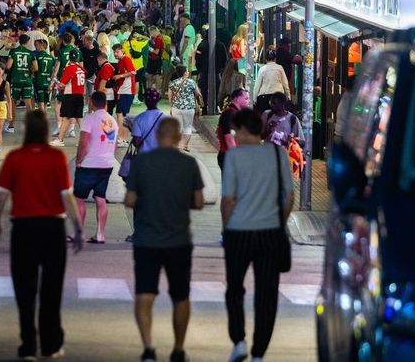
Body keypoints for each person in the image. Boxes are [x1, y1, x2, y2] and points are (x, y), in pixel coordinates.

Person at [0, 110, 83, 360]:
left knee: (25, 290)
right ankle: (51, 343)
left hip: (23, 229)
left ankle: (28, 344)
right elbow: (67, 196)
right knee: (51, 290)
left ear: (25, 129)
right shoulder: (56, 158)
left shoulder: (15, 158)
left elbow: (1, 194)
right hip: (52, 229)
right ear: (44, 130)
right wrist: (77, 227)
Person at [125, 117, 205, 362]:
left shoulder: (142, 162)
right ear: (179, 136)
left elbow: (129, 200)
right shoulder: (189, 164)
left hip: (147, 239)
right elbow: (199, 202)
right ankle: (178, 349)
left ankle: (149, 348)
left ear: (158, 136)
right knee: (181, 296)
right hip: (178, 239)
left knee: (144, 294)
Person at [221, 109, 294, 362]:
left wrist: (227, 228)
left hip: (239, 232)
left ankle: (239, 341)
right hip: (269, 233)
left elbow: (228, 200)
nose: (234, 136)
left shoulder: (234, 157)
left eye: (234, 131)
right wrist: (279, 222)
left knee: (234, 290)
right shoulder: (277, 154)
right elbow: (289, 197)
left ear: (242, 130)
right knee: (267, 294)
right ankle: (259, 353)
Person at [75, 91, 117, 244]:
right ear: (105, 103)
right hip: (106, 164)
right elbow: (115, 143)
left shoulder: (89, 119)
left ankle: (80, 233)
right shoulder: (112, 121)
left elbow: (84, 142)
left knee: (79, 198)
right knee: (100, 198)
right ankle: (100, 235)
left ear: (91, 102)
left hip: (89, 164)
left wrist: (79, 160)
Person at [51, 50, 85, 147]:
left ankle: (60, 139)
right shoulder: (81, 69)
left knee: (65, 117)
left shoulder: (70, 68)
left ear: (69, 58)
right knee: (79, 118)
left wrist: (56, 84)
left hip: (70, 96)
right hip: (79, 96)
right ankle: (85, 140)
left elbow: (62, 85)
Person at [6, 34, 36, 132]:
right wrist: (29, 71)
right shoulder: (31, 53)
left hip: (16, 80)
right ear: (27, 42)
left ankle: (11, 126)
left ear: (19, 41)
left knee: (13, 102)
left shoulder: (14, 51)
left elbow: (8, 66)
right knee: (28, 104)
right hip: (27, 81)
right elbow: (36, 68)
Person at [168, 65, 201, 151]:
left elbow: (170, 98)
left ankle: (177, 145)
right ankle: (184, 145)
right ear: (185, 72)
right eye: (187, 71)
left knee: (178, 127)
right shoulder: (191, 82)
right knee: (187, 127)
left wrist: (173, 103)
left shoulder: (173, 83)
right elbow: (197, 93)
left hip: (176, 108)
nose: (188, 72)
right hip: (189, 108)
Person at [217, 88, 251, 169]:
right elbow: (229, 138)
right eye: (246, 98)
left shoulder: (236, 114)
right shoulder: (230, 114)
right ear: (237, 99)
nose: (248, 101)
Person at [113, 44, 137, 145]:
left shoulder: (126, 59)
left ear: (122, 51)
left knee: (122, 115)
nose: (115, 54)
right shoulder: (121, 61)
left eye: (117, 52)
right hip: (123, 91)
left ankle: (123, 138)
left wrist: (120, 76)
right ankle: (121, 137)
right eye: (114, 52)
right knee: (119, 114)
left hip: (127, 91)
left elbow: (133, 72)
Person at [131, 88, 166, 154]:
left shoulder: (138, 119)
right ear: (158, 100)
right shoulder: (167, 118)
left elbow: (136, 143)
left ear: (145, 101)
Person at [32, 39, 55, 114]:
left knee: (40, 103)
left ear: (41, 46)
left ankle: (42, 122)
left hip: (39, 81)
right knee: (45, 103)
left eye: (36, 45)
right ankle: (45, 120)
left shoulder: (36, 57)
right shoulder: (51, 58)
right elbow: (53, 70)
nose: (35, 47)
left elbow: (34, 68)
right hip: (47, 82)